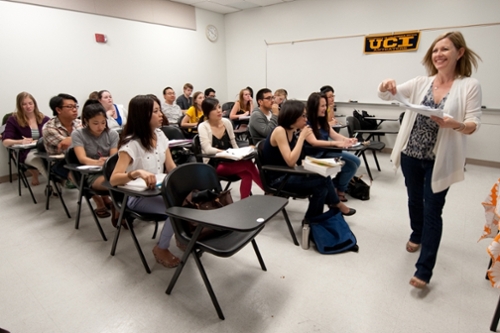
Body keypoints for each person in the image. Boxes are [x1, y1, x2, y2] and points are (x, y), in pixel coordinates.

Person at [378, 31, 482, 289]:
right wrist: (385, 85)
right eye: (435, 50)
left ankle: (424, 270)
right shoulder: (420, 82)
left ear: (459, 53)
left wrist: (455, 124)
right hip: (411, 155)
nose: (438, 54)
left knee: (433, 209)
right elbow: (387, 96)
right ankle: (416, 233)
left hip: (439, 160)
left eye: (445, 49)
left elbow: (473, 124)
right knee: (414, 200)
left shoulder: (469, 85)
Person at [110, 94, 180, 268]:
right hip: (136, 197)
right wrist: (135, 173)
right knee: (176, 209)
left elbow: (171, 166)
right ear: (143, 116)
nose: (160, 114)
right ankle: (161, 248)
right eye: (155, 111)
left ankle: (181, 235)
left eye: (159, 110)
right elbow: (113, 179)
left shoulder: (160, 135)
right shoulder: (131, 144)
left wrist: (187, 178)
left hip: (157, 190)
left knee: (188, 198)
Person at [260, 100, 355, 219]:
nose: (306, 119)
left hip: (289, 173)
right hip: (278, 179)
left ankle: (312, 220)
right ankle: (334, 205)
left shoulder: (291, 131)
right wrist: (301, 138)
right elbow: (291, 161)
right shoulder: (280, 131)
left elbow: (297, 160)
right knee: (322, 180)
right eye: (303, 116)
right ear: (293, 116)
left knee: (321, 185)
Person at [198, 98, 263, 199]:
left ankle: (244, 202)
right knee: (248, 164)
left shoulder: (226, 122)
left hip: (230, 160)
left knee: (247, 174)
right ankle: (267, 189)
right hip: (214, 164)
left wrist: (239, 154)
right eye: (214, 109)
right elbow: (207, 149)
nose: (219, 110)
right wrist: (227, 152)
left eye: (219, 107)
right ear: (207, 113)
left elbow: (233, 142)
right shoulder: (203, 126)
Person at [304, 92, 361, 202]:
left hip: (326, 152)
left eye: (325, 105)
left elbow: (334, 135)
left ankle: (334, 186)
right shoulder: (307, 123)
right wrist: (335, 144)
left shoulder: (322, 121)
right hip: (314, 156)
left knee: (356, 161)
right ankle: (340, 190)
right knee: (351, 166)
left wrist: (347, 140)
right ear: (314, 106)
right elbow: (314, 142)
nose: (325, 108)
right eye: (322, 106)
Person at [71, 100, 119, 218]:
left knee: (126, 181)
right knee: (116, 183)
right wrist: (98, 162)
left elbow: (114, 156)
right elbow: (82, 158)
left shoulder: (112, 134)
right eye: (95, 123)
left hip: (111, 170)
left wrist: (107, 161)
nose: (100, 127)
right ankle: (119, 209)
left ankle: (120, 208)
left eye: (103, 122)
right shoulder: (78, 134)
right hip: (92, 174)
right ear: (86, 121)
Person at [2, 92, 50, 185]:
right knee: (41, 163)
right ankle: (55, 188)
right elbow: (5, 142)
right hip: (26, 152)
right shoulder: (13, 120)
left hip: (44, 149)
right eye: (24, 104)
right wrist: (21, 141)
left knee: (56, 161)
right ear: (19, 106)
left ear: (34, 104)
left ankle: (59, 184)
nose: (28, 106)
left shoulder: (43, 118)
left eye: (30, 103)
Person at [43, 93, 83, 180]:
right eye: (70, 107)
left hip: (81, 156)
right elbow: (72, 147)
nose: (75, 109)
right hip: (60, 162)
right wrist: (80, 139)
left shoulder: (79, 123)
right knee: (79, 177)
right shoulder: (49, 128)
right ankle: (88, 192)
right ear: (58, 110)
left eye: (75, 106)